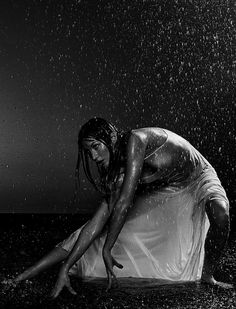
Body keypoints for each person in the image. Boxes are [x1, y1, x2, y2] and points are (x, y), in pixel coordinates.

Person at [7, 117, 232, 297]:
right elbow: (93, 226)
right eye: (88, 152)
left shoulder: (136, 139)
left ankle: (207, 276)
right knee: (98, 229)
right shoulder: (118, 174)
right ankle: (24, 275)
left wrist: (108, 248)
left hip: (199, 177)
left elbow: (124, 204)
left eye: (96, 147)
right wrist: (62, 269)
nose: (94, 156)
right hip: (170, 190)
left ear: (112, 137)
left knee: (220, 215)